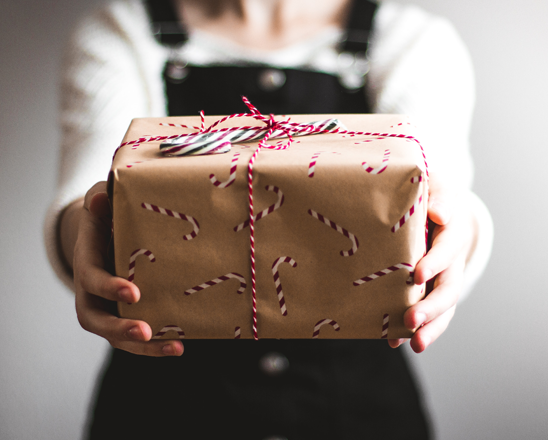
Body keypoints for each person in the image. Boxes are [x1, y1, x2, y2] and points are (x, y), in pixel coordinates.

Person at [44, 0, 493, 438]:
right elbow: (89, 193)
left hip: (359, 411)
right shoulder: (123, 32)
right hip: (161, 412)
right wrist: (85, 238)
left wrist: (459, 232)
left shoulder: (410, 40)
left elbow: (442, 191)